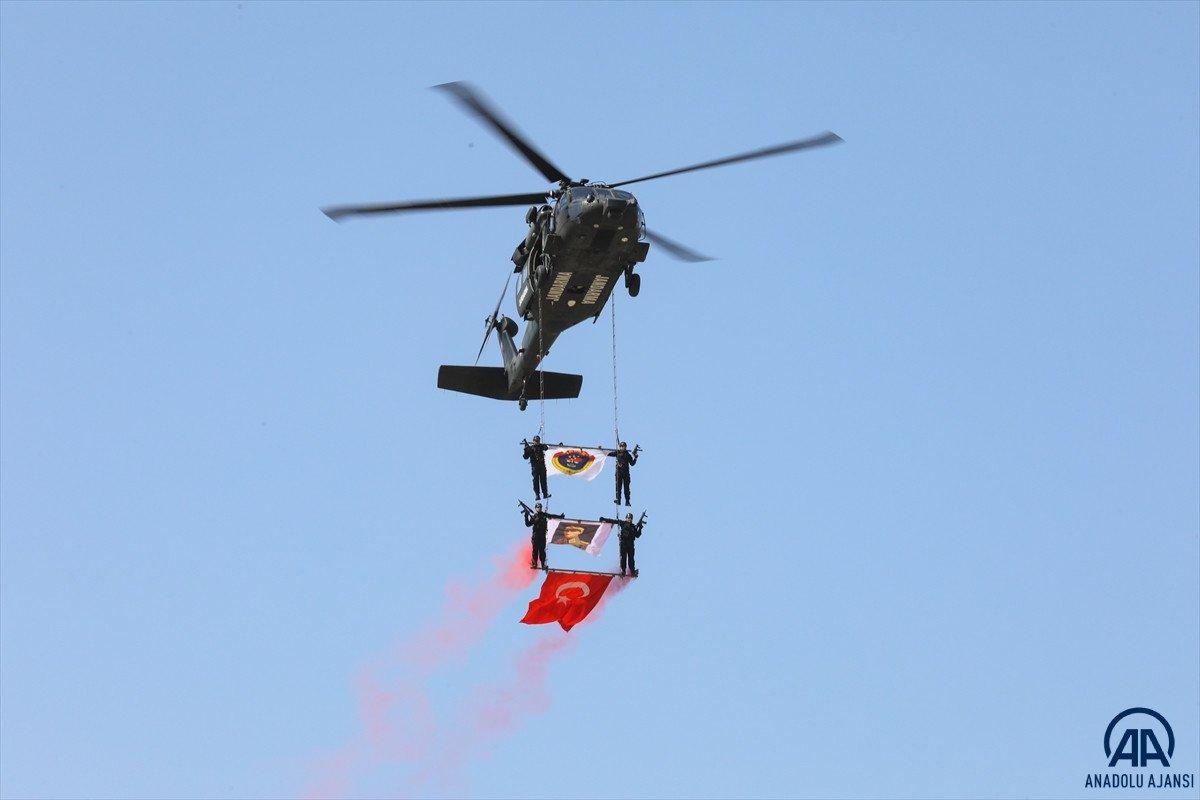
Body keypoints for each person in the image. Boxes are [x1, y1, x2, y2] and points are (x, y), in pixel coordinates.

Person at [601, 511, 646, 577]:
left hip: (630, 545)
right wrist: (604, 519)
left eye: (630, 518)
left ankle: (632, 571)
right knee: (623, 558)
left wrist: (640, 528)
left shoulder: (633, 527)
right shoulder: (623, 523)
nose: (629, 519)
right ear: (626, 518)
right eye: (628, 518)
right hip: (623, 544)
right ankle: (623, 570)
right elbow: (614, 521)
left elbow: (637, 535)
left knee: (631, 559)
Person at [521, 501, 563, 570]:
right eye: (538, 507)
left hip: (542, 536)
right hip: (536, 536)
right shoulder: (534, 516)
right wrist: (526, 515)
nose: (539, 508)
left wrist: (560, 517)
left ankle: (543, 565)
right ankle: (534, 564)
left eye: (540, 507)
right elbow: (528, 524)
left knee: (542, 551)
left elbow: (551, 516)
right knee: (535, 551)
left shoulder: (544, 515)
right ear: (536, 508)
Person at [522, 435, 551, 500]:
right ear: (533, 441)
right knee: (536, 481)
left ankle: (545, 494)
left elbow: (546, 448)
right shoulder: (531, 448)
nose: (537, 442)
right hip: (535, 467)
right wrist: (526, 450)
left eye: (538, 441)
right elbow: (525, 457)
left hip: (542, 467)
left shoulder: (541, 446)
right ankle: (537, 495)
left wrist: (543, 445)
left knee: (543, 481)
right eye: (536, 441)